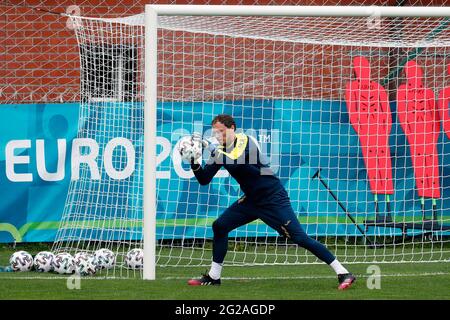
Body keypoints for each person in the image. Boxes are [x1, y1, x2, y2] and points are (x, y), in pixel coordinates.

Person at [181, 114, 356, 290]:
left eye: (222, 131)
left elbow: (235, 163)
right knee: (220, 226)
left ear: (232, 128)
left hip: (272, 198)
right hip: (252, 200)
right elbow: (204, 179)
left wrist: (211, 147)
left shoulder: (245, 141)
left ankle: (343, 273)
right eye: (215, 133)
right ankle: (213, 277)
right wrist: (194, 161)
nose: (219, 136)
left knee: (299, 237)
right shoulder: (221, 151)